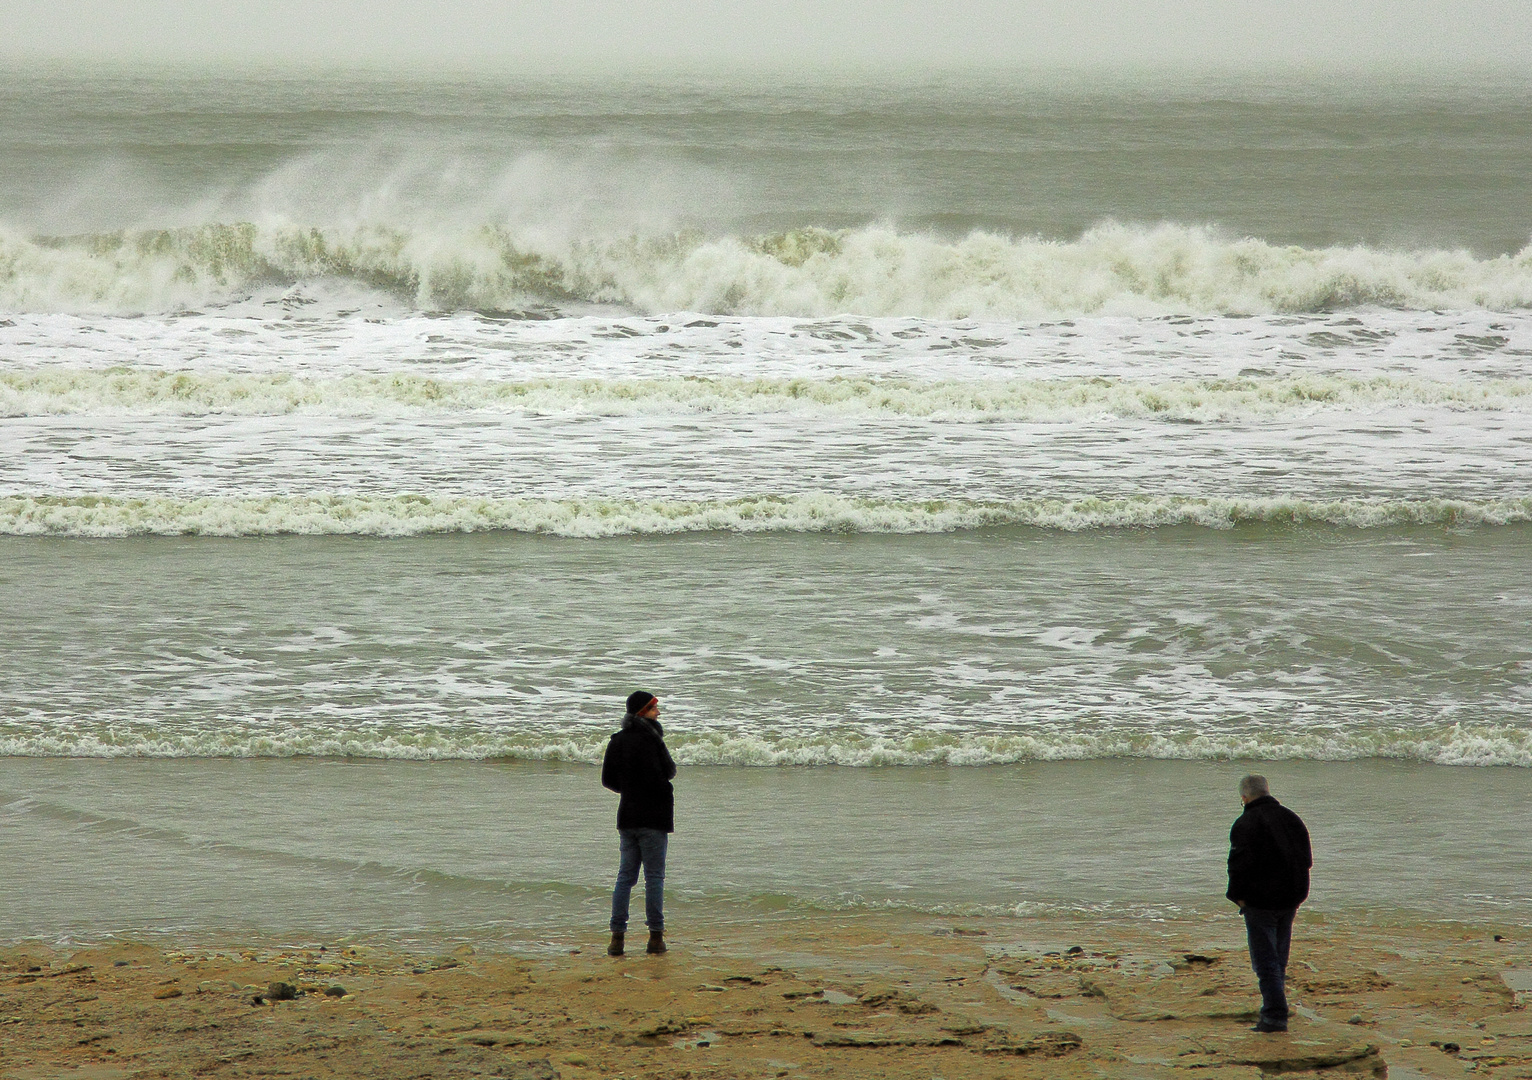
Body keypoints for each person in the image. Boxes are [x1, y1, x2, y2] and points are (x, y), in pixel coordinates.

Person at [1226, 774, 1313, 1033]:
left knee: (1266, 962)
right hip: (1291, 897)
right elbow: (1306, 859)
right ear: (1267, 791)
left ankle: (1274, 1016)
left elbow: (1238, 866)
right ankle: (1277, 1006)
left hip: (1260, 901)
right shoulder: (1291, 818)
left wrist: (1236, 896)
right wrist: (1299, 891)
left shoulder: (1245, 822)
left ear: (1244, 797)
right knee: (1278, 958)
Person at [601, 690, 676, 957]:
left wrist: (630, 790)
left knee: (625, 878)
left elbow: (608, 780)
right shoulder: (653, 739)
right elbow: (669, 772)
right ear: (642, 711)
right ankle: (655, 938)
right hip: (654, 818)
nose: (659, 712)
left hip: (628, 816)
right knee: (654, 877)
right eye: (654, 708)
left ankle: (616, 939)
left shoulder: (618, 740)